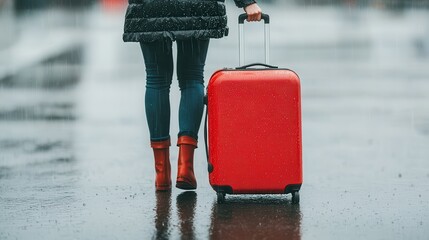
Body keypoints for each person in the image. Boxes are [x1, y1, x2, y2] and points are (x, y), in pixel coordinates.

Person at [123, 0, 262, 191]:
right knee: (192, 77)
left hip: (151, 5)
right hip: (196, 6)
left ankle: (161, 174)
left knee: (156, 80)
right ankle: (185, 167)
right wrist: (247, 2)